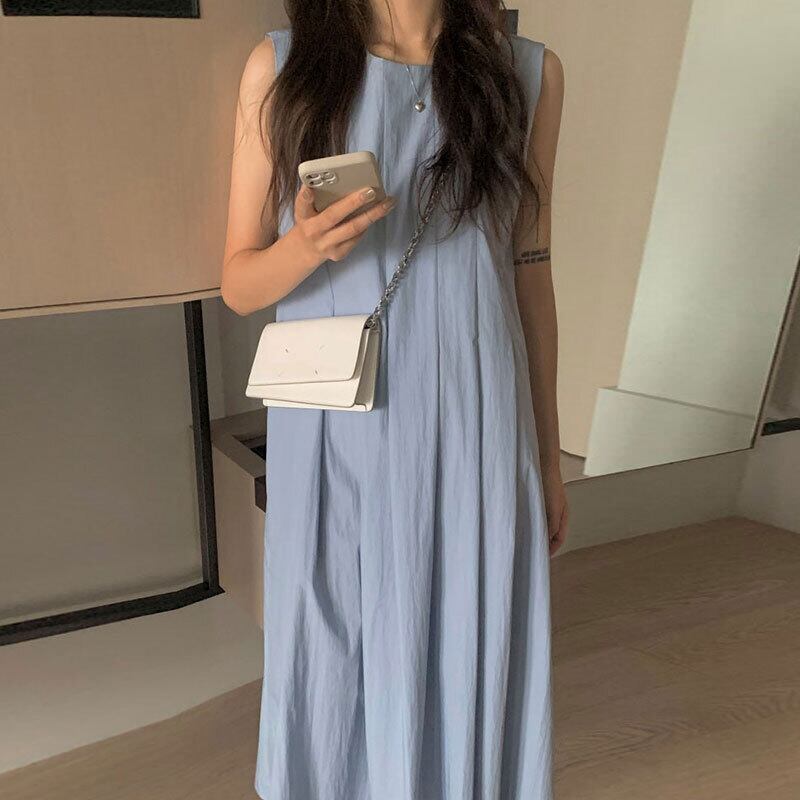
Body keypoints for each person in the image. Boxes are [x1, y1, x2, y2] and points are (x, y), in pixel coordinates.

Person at [221, 1, 566, 797]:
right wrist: (304, 247)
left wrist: (547, 458)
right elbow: (239, 281)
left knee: (466, 624)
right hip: (336, 419)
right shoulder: (283, 68)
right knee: (334, 633)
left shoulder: (529, 74)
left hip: (478, 407)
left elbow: (531, 271)